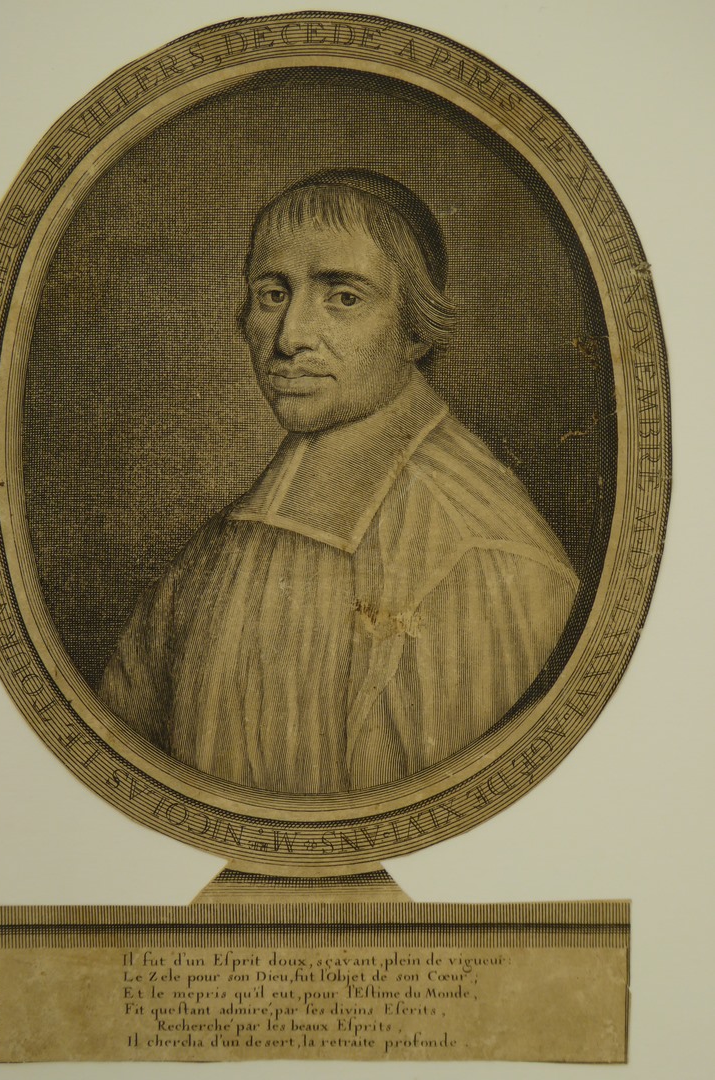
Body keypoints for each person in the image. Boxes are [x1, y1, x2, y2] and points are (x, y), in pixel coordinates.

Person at [100, 169, 579, 793]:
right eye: (273, 294)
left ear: (414, 330)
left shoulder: (483, 557)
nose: (290, 338)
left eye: (344, 298)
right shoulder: (224, 544)